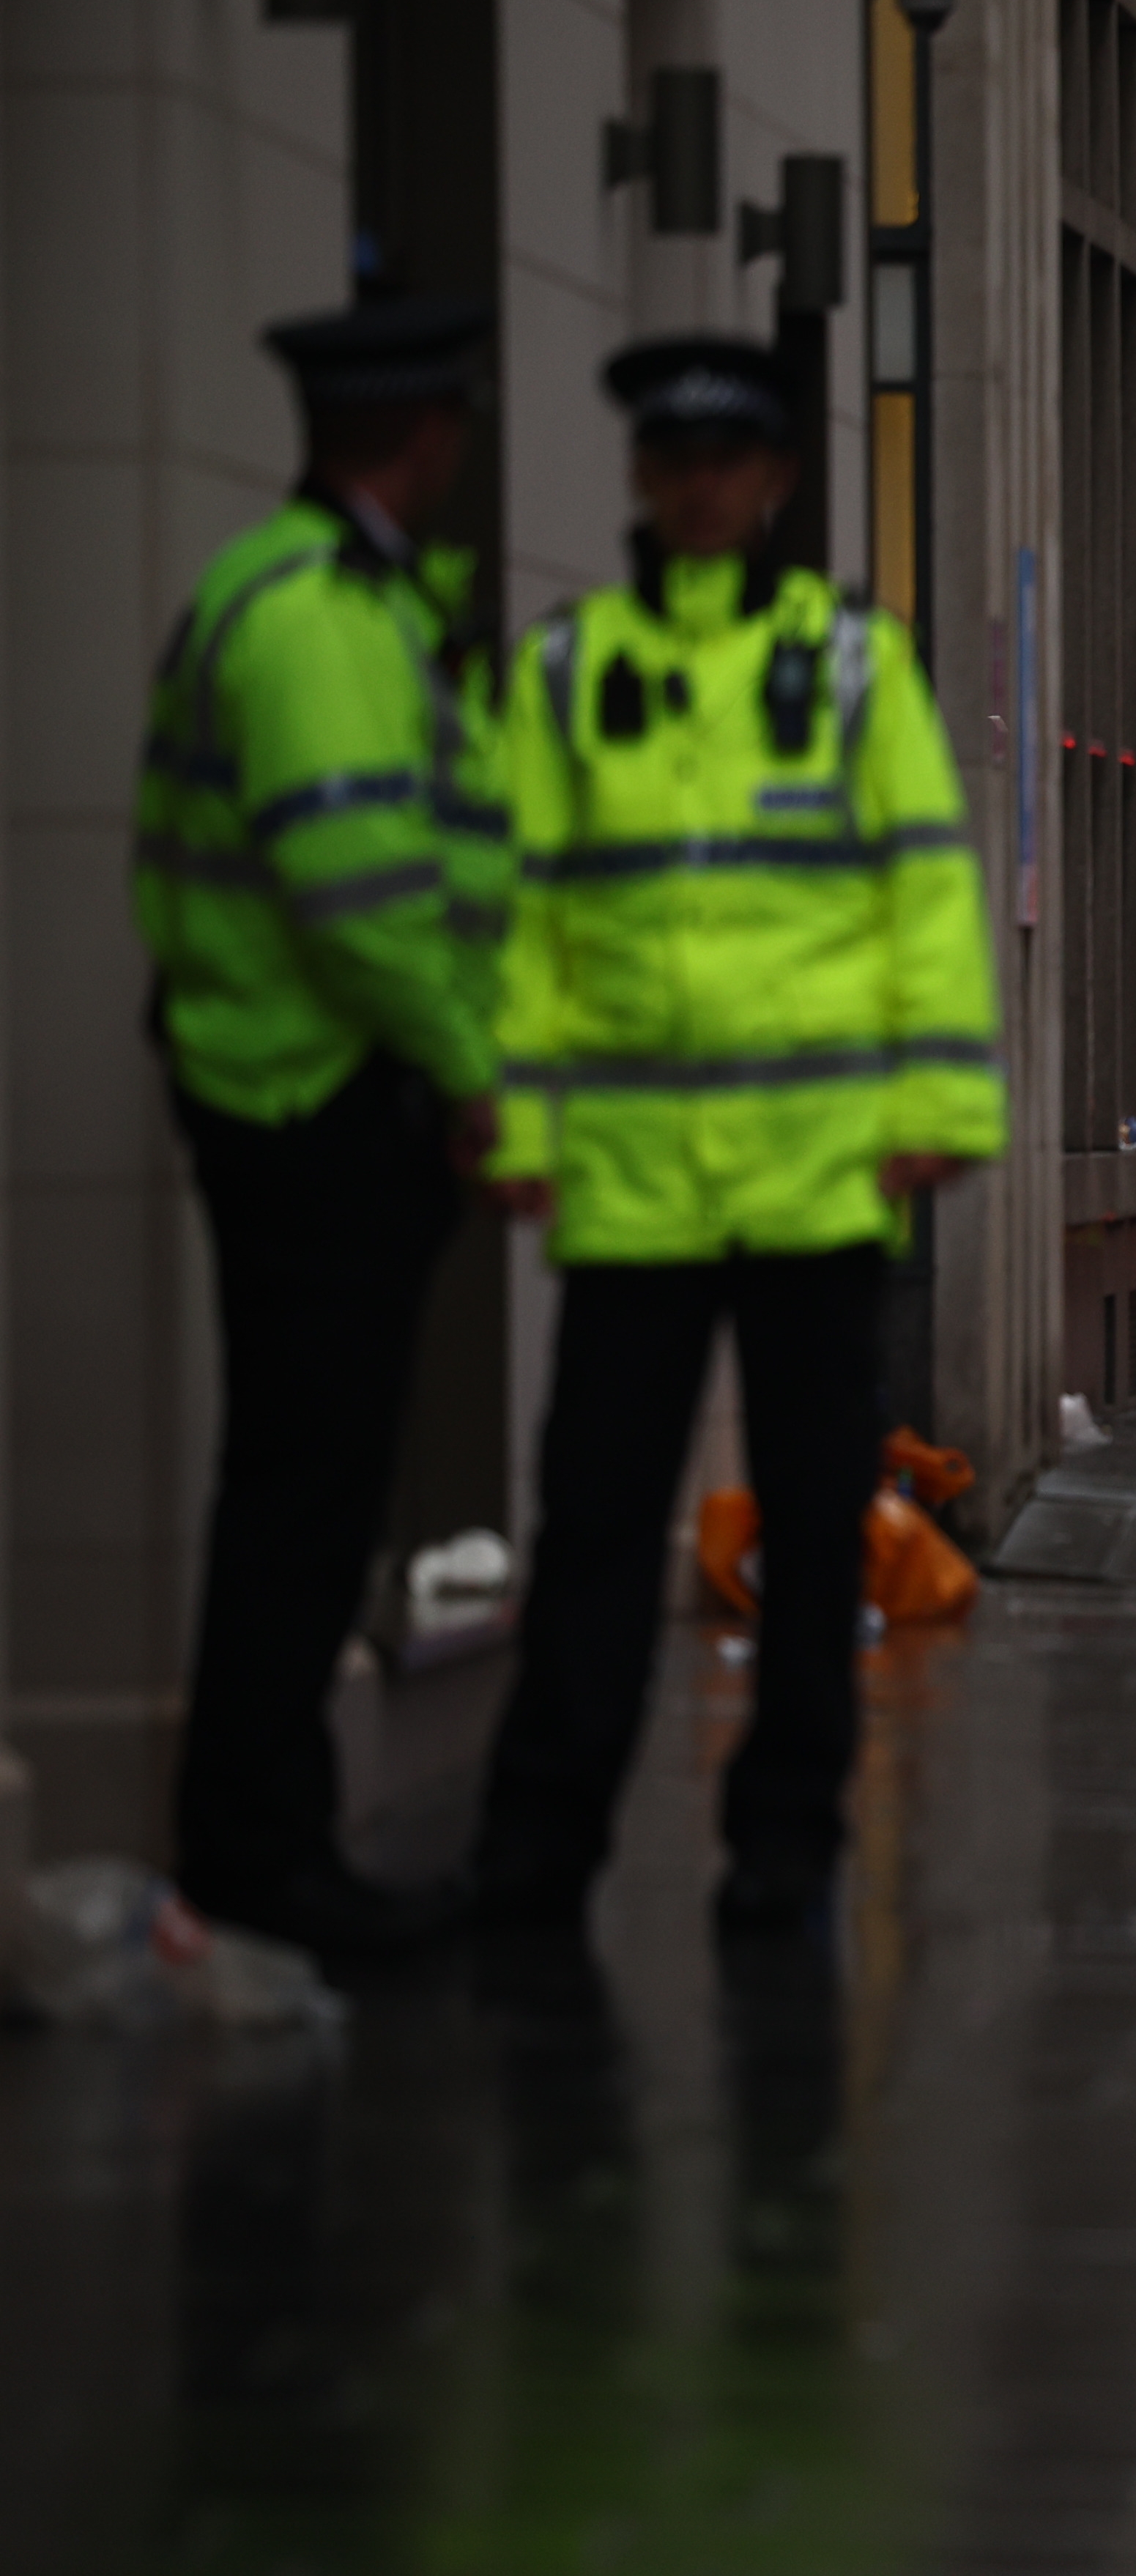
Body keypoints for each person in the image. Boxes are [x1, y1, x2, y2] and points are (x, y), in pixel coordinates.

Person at [473, 335, 1006, 1942]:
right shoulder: (569, 674)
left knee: (814, 1508)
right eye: (676, 459)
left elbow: (925, 889)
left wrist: (938, 1109)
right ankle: (538, 1850)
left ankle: (787, 1843)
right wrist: (512, 1113)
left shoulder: (849, 671)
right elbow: (518, 917)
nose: (703, 486)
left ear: (771, 479)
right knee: (595, 1521)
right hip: (634, 1191)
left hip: (811, 1179)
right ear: (646, 477)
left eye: (731, 460)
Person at [132, 297, 510, 1955]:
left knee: (301, 1482)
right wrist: (473, 1069)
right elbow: (360, 905)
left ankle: (258, 1847)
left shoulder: (295, 596)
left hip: (295, 1094)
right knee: (305, 1488)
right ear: (426, 435)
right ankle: (261, 1858)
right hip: (315, 1104)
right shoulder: (318, 621)